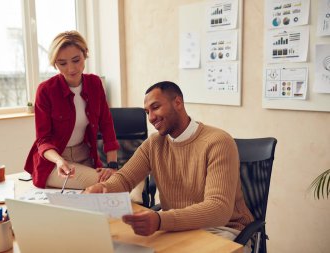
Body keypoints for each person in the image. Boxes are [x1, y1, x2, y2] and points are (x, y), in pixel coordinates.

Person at [85, 81, 254, 251]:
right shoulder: (154, 144)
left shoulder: (218, 142)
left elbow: (218, 209)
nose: (151, 117)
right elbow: (125, 179)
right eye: (147, 112)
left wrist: (160, 220)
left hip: (224, 230)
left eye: (156, 107)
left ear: (178, 103)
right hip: (177, 228)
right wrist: (103, 188)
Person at [24, 31, 120, 190]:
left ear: (85, 54)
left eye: (76, 60)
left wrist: (112, 165)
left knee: (115, 181)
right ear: (55, 64)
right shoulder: (46, 90)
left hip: (85, 156)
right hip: (55, 163)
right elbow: (43, 140)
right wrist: (60, 161)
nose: (71, 69)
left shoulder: (95, 83)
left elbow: (107, 126)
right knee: (110, 185)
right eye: (62, 63)